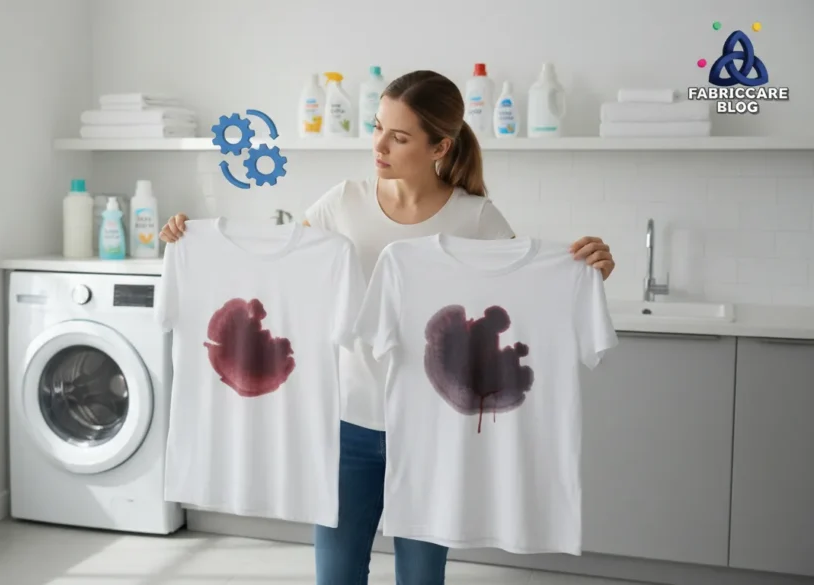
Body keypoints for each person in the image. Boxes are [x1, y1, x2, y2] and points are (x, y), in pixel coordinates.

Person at [159, 70, 616, 585]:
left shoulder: (477, 218)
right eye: (377, 128)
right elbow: (276, 271)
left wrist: (587, 268)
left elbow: (523, 291)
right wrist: (192, 240)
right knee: (336, 576)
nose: (379, 145)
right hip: (348, 423)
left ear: (439, 145)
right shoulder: (342, 203)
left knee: (422, 579)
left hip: (431, 433)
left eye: (398, 137)